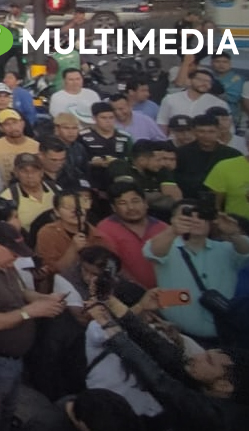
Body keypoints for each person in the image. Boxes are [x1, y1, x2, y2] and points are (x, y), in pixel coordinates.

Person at [86, 295, 248, 430]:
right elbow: (162, 349)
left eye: (209, 361)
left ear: (224, 386)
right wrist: (114, 304)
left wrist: (109, 327)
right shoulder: (201, 380)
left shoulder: (218, 417)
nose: (198, 357)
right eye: (205, 354)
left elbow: (159, 382)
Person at [0, 223, 67, 431]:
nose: (16, 258)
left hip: (15, 359)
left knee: (8, 408)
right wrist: (31, 312)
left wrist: (45, 299)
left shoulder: (6, 263)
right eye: (13, 252)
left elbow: (21, 292)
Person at [142, 202, 249, 342]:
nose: (195, 220)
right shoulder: (167, 247)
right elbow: (152, 252)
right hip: (181, 336)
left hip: (227, 332)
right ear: (173, 220)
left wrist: (234, 234)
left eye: (201, 215)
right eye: (187, 215)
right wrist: (173, 231)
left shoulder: (226, 248)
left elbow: (245, 251)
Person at [94, 179, 167, 289]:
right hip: (126, 294)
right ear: (113, 208)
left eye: (135, 201)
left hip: (166, 292)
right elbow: (112, 266)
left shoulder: (163, 228)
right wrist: (138, 291)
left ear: (145, 203)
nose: (131, 207)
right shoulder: (105, 228)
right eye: (122, 203)